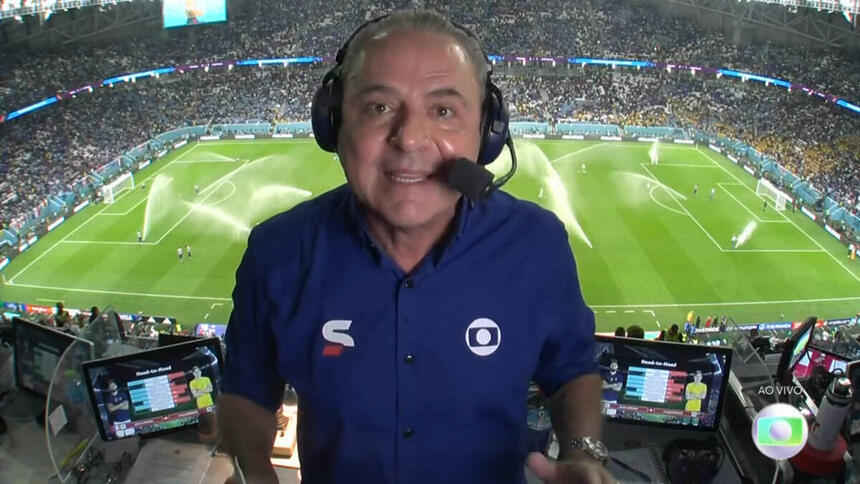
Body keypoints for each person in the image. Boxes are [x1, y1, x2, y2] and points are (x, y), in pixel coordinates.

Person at [220, 11, 608, 484]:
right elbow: (247, 390)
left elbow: (571, 372)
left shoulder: (538, 245)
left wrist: (584, 455)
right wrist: (256, 473)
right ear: (333, 124)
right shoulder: (276, 252)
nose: (408, 139)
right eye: (378, 108)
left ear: (486, 133)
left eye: (443, 111)